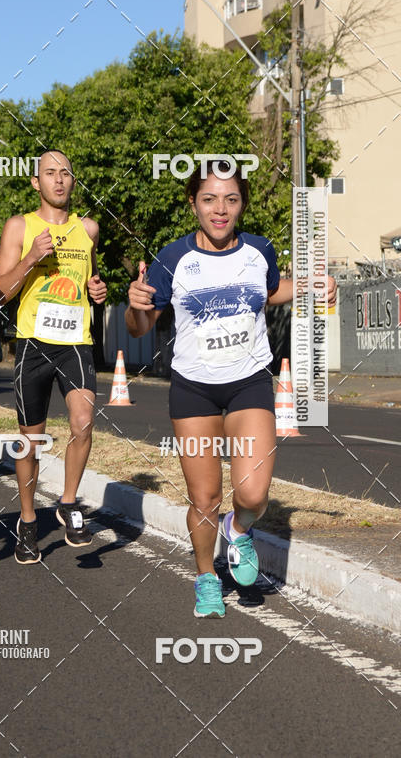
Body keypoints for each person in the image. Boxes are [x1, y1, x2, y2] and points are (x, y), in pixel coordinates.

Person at [125, 163, 337, 618]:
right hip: (194, 391)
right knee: (204, 498)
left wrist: (312, 286)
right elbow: (141, 326)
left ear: (241, 203)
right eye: (209, 199)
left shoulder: (259, 250)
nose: (220, 210)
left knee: (254, 495)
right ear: (193, 202)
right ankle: (206, 579)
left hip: (248, 385)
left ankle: (238, 530)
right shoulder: (171, 259)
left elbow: (270, 289)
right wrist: (137, 305)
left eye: (231, 199)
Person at [0, 149, 107, 564]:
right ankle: (27, 522)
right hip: (33, 344)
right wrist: (29, 259)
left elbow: (92, 279)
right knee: (31, 441)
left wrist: (99, 290)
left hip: (76, 342)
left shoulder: (88, 229)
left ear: (72, 182)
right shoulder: (20, 226)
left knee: (83, 421)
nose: (59, 180)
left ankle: (68, 502)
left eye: (65, 173)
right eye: (50, 173)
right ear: (35, 183)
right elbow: (0, 293)